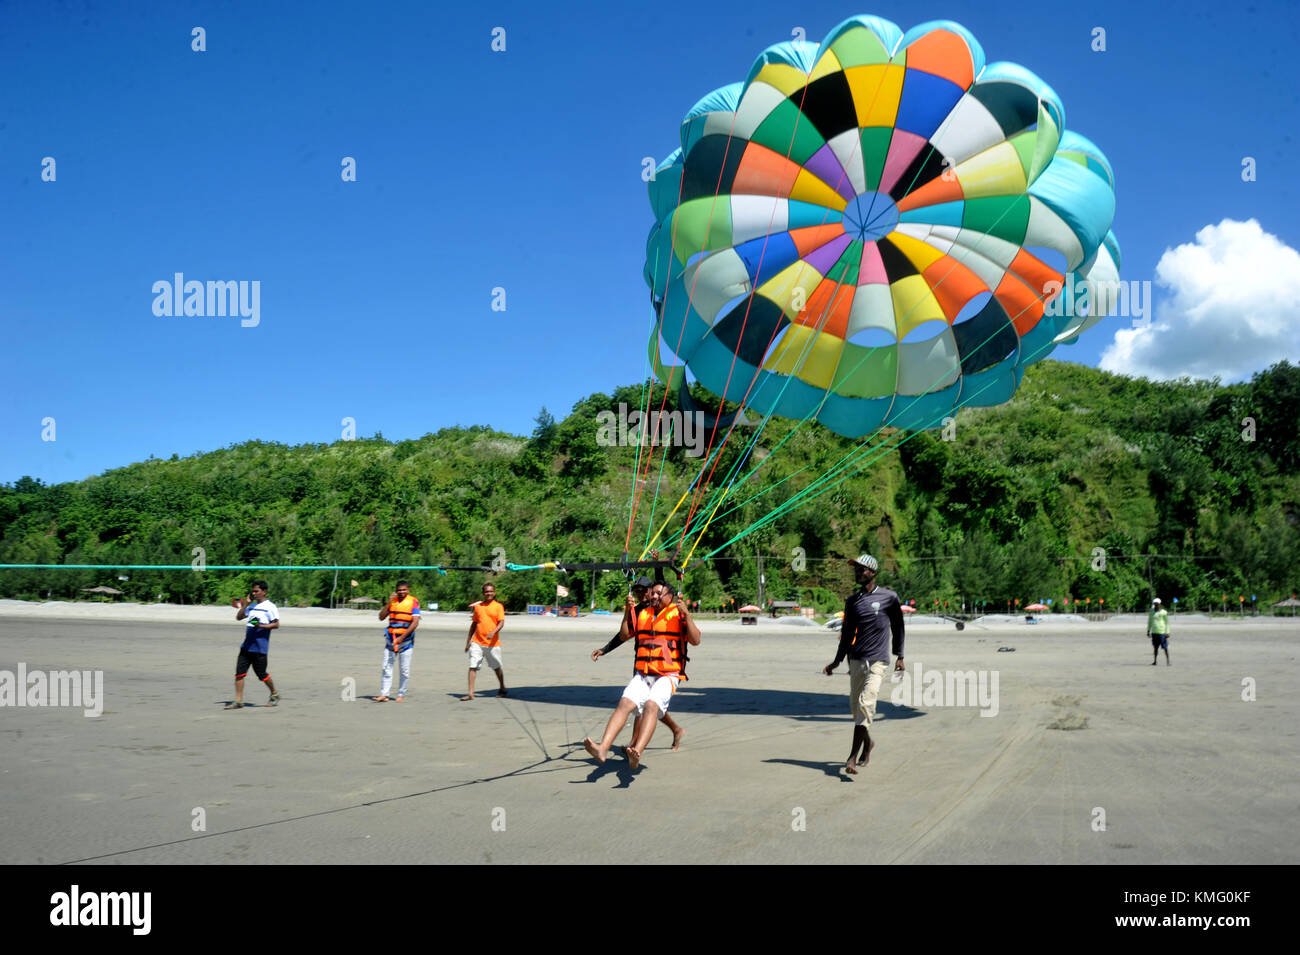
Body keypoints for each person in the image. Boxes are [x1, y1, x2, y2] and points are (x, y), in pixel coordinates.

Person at [584, 582, 700, 769]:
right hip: (644, 672)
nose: (652, 596)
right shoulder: (643, 613)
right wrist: (626, 612)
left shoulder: (677, 613)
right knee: (624, 704)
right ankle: (602, 748)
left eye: (657, 593)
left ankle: (636, 751)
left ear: (669, 596)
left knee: (651, 705)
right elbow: (624, 635)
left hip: (668, 674)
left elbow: (696, 640)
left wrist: (687, 614)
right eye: (651, 593)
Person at [823, 555, 904, 774]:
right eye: (856, 569)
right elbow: (847, 634)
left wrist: (900, 656)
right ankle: (868, 743)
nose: (857, 572)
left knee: (866, 704)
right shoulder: (852, 601)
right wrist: (837, 661)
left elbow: (898, 627)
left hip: (878, 660)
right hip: (857, 660)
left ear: (873, 572)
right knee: (856, 710)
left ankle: (851, 757)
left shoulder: (889, 597)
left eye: (861, 569)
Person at [227, 580, 280, 709]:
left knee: (261, 674)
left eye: (256, 591)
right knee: (239, 673)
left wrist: (261, 625)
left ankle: (274, 693)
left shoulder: (270, 607)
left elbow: (276, 624)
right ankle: (239, 701)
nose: (254, 593)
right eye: (253, 591)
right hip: (246, 645)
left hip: (260, 646)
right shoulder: (252, 606)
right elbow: (239, 617)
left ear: (264, 592)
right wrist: (246, 605)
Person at [375, 580, 420, 702]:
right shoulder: (393, 602)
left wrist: (402, 637)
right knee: (386, 668)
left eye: (404, 590)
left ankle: (401, 694)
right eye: (399, 590)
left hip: (406, 643)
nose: (401, 592)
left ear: (408, 590)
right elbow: (381, 617)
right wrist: (389, 602)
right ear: (396, 591)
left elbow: (415, 622)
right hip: (390, 641)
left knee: (404, 670)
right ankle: (384, 694)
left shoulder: (413, 602)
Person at [463, 582, 506, 700]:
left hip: (493, 643)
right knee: (473, 665)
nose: (489, 593)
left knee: (496, 667)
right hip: (477, 641)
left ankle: (502, 687)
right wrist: (468, 641)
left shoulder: (498, 606)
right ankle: (471, 693)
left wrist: (493, 632)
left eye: (491, 591)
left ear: (494, 592)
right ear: (483, 593)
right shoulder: (478, 607)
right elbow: (474, 624)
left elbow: (501, 622)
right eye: (487, 591)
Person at [1148, 597, 1170, 666]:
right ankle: (1155, 661)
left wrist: (1167, 632)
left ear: (1160, 604)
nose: (1156, 605)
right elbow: (1150, 622)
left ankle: (1168, 661)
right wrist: (1148, 631)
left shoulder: (1164, 612)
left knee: (1165, 648)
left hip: (1162, 633)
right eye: (1155, 604)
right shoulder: (1151, 612)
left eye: (1157, 604)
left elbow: (1167, 623)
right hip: (1154, 633)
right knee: (1155, 648)